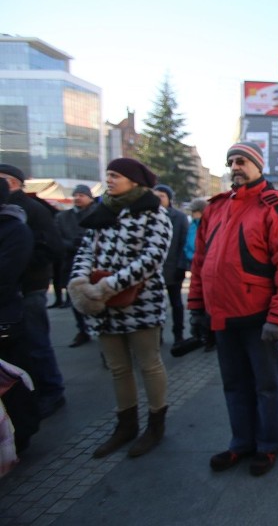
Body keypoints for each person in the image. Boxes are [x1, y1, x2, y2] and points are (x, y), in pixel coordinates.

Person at [188, 141, 278, 477]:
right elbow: (200, 264)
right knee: (234, 384)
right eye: (231, 161)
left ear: (257, 166)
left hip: (259, 319)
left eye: (242, 160)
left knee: (265, 386)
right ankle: (241, 442)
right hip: (222, 317)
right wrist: (197, 307)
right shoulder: (215, 208)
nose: (235, 166)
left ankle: (269, 445)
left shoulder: (274, 209)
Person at [67, 158, 172, 459]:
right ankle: (125, 425)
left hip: (140, 302)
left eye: (115, 175)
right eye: (108, 175)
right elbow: (85, 251)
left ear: (134, 180)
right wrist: (80, 282)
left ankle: (155, 425)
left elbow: (152, 259)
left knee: (149, 363)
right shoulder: (102, 211)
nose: (109, 180)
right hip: (102, 306)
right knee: (118, 368)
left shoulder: (153, 212)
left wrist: (109, 285)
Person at [0, 164, 65, 419]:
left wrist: (24, 261)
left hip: (30, 286)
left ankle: (52, 390)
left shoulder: (32, 210)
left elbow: (54, 247)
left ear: (14, 183)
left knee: (37, 341)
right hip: (14, 289)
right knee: (21, 347)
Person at [0, 177, 39, 454]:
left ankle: (22, 433)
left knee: (12, 380)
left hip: (7, 317)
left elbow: (6, 273)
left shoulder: (14, 229)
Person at [55, 184, 97, 347]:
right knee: (76, 299)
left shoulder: (98, 213)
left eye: (82, 195)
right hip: (70, 261)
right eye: (76, 195)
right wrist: (71, 245)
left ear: (90, 197)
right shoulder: (63, 217)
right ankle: (83, 330)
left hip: (95, 263)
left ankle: (99, 328)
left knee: (96, 297)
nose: (78, 197)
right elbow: (57, 237)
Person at [152, 184, 190, 355]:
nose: (158, 200)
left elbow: (184, 244)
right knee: (155, 304)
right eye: (155, 196)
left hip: (173, 267)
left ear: (169, 199)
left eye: (161, 196)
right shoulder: (147, 216)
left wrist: (181, 267)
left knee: (176, 304)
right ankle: (156, 335)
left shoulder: (179, 217)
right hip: (153, 271)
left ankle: (178, 334)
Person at [183, 198, 213, 351]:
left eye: (195, 212)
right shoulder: (193, 225)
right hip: (194, 263)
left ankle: (209, 336)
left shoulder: (209, 224)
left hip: (206, 267)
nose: (193, 215)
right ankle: (201, 333)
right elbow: (189, 243)